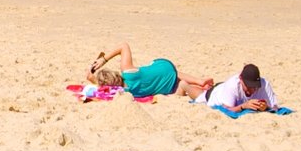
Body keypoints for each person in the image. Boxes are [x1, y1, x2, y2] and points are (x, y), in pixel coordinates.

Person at [86, 44, 214, 100]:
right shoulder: (127, 71)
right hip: (165, 67)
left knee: (177, 84)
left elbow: (105, 91)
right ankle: (199, 81)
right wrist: (103, 60)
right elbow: (124, 46)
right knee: (166, 73)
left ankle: (195, 85)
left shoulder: (123, 93)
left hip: (167, 86)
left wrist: (94, 80)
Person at [199, 63, 278, 112]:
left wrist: (265, 107)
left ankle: (202, 84)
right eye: (249, 86)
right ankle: (197, 82)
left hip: (224, 88)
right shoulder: (232, 85)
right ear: (240, 78)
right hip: (213, 94)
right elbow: (227, 109)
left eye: (255, 86)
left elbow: (274, 108)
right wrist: (243, 106)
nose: (252, 90)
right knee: (196, 92)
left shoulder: (265, 84)